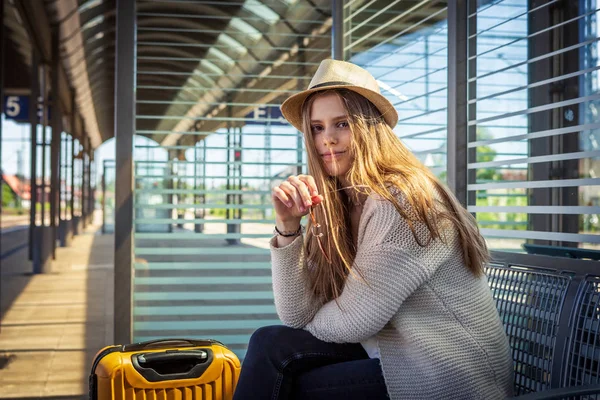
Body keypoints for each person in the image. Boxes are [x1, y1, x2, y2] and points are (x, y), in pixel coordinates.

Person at [232, 59, 514, 400]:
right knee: (269, 343)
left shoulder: (403, 199)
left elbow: (354, 322)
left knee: (294, 387)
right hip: (392, 350)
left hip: (449, 373)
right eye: (317, 128)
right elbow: (295, 313)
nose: (329, 140)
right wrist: (288, 227)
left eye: (342, 124)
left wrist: (313, 319)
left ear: (370, 127)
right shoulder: (339, 202)